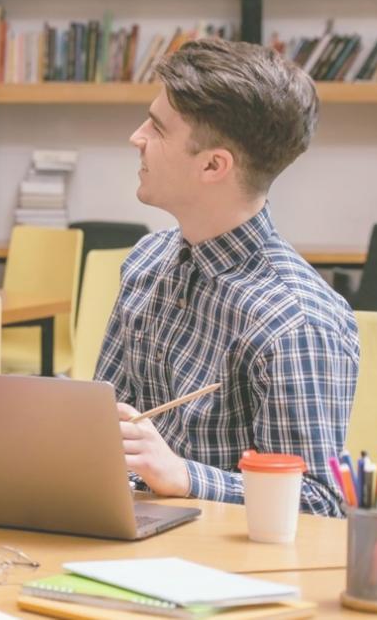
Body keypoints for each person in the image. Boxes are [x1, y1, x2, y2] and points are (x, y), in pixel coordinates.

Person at [95, 38, 359, 517]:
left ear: (213, 165)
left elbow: (321, 502)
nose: (137, 137)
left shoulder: (295, 322)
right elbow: (100, 425)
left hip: (229, 571)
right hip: (126, 536)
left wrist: (183, 477)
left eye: (156, 128)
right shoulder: (145, 262)